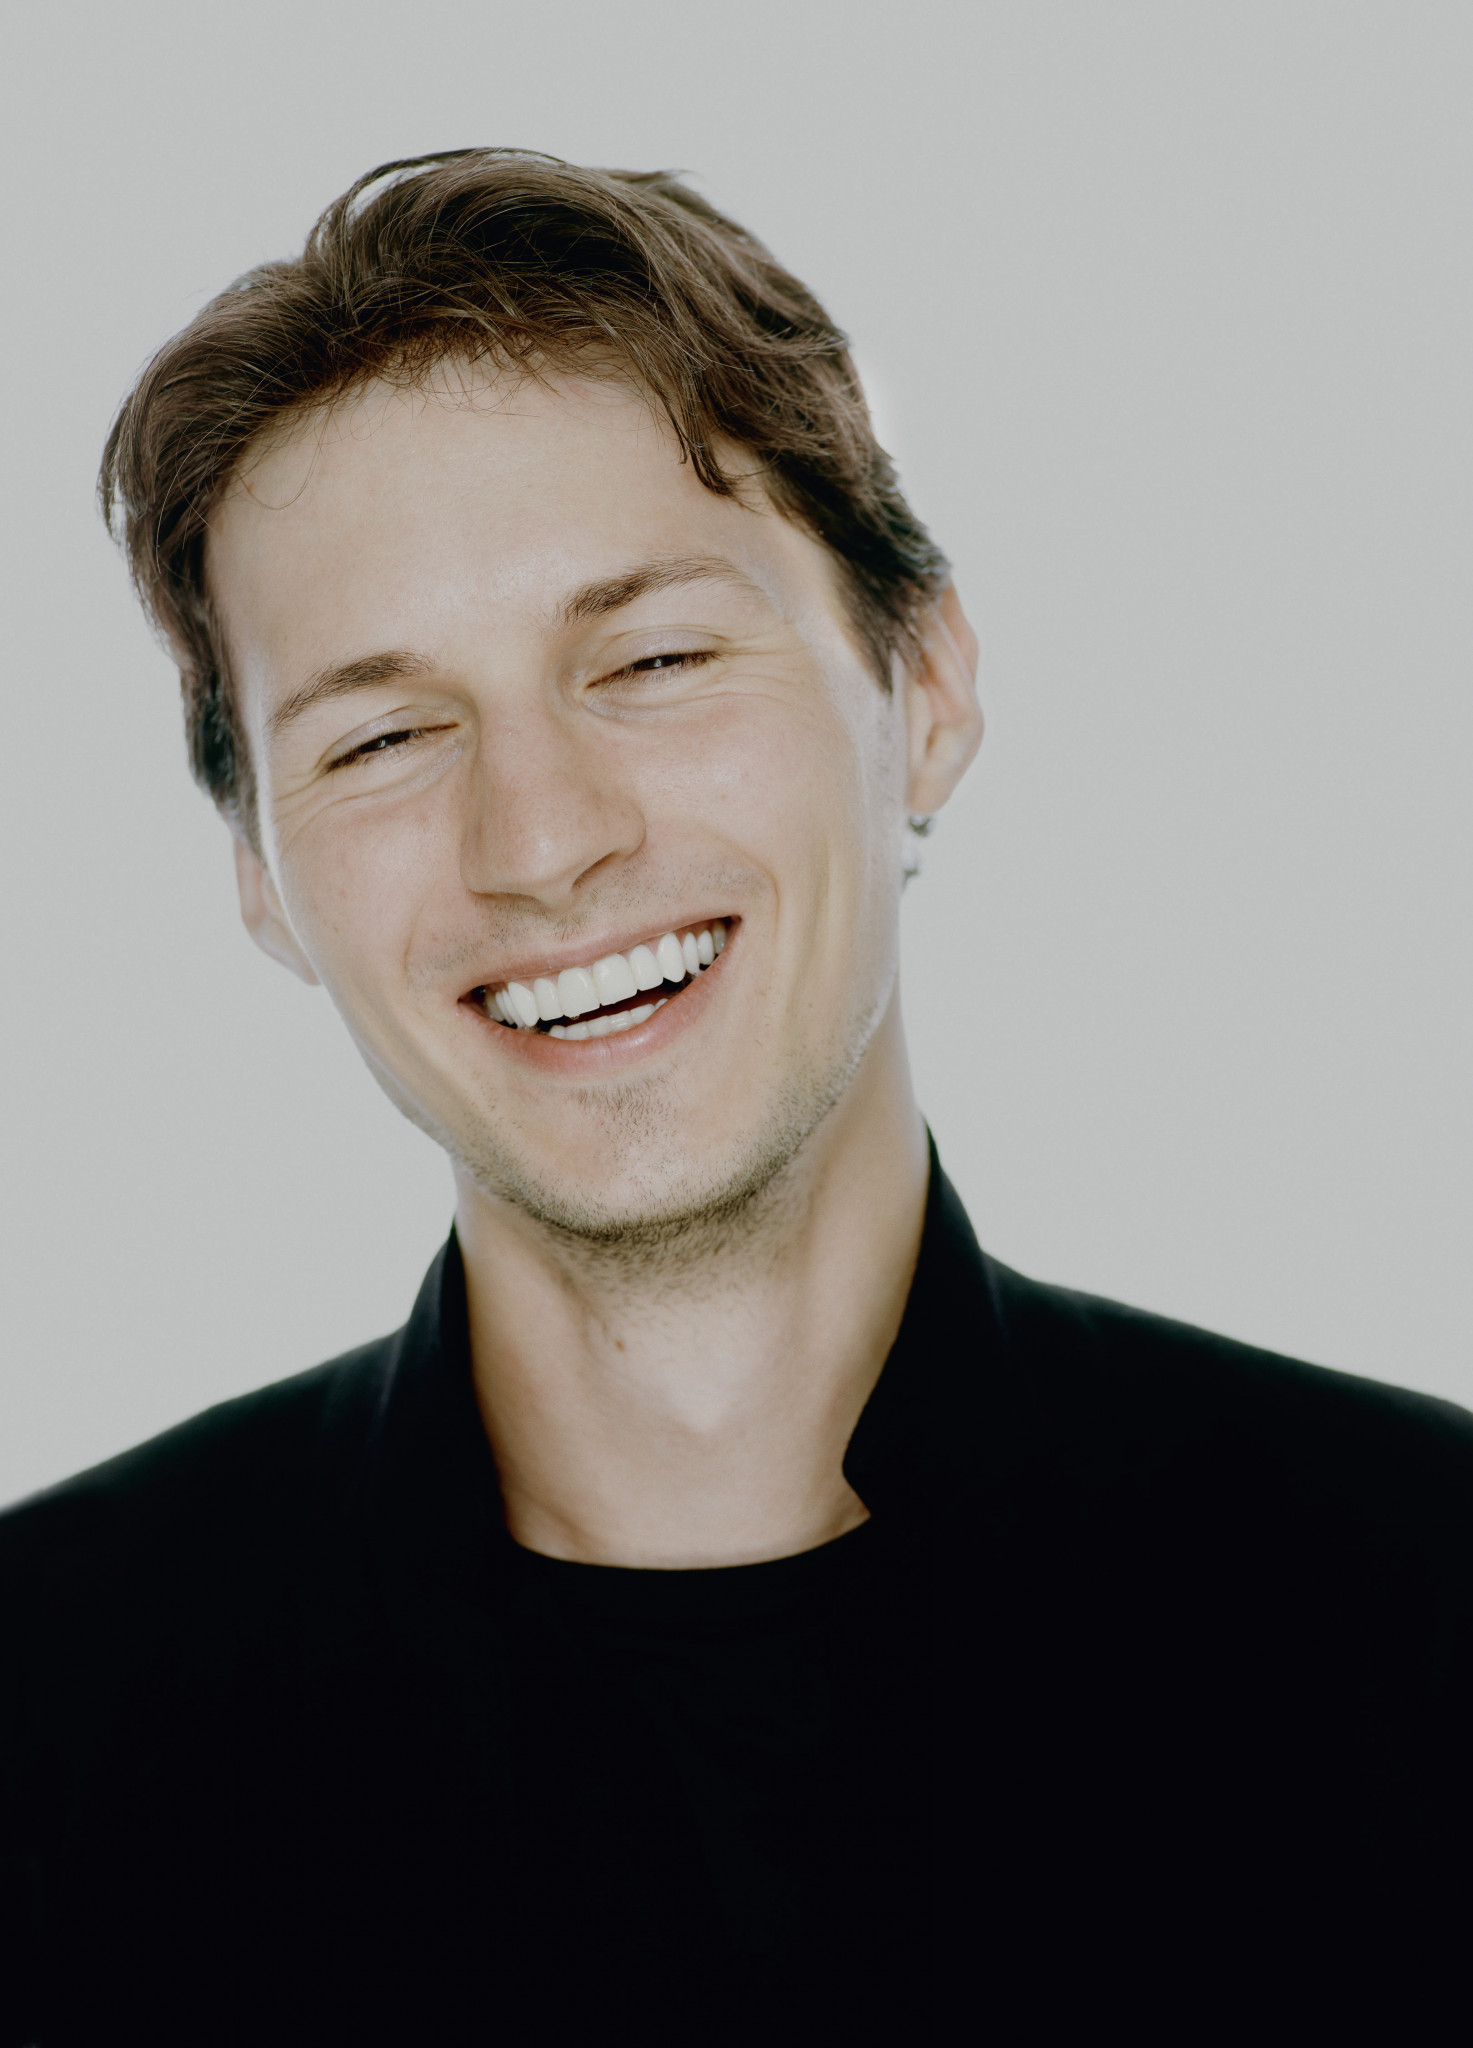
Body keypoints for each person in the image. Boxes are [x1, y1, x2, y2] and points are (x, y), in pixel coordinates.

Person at [2, 148, 1468, 2045]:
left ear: (921, 686)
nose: (540, 841)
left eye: (653, 656)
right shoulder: (41, 1712)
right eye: (382, 736)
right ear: (265, 882)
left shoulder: (1428, 1611)